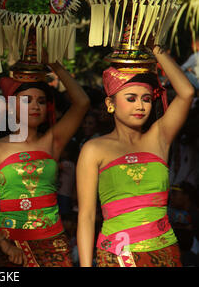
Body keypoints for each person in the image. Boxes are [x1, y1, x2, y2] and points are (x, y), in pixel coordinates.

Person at [76, 45, 195, 267]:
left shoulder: (159, 137)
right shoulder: (94, 149)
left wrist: (156, 49)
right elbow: (87, 216)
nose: (140, 106)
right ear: (110, 104)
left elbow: (186, 92)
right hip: (117, 256)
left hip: (165, 253)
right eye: (131, 98)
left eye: (146, 99)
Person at [0, 60, 90, 267]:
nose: (35, 106)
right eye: (26, 100)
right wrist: (3, 243)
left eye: (40, 101)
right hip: (12, 248)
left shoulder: (53, 142)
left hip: (53, 245)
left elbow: (82, 103)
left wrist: (55, 65)